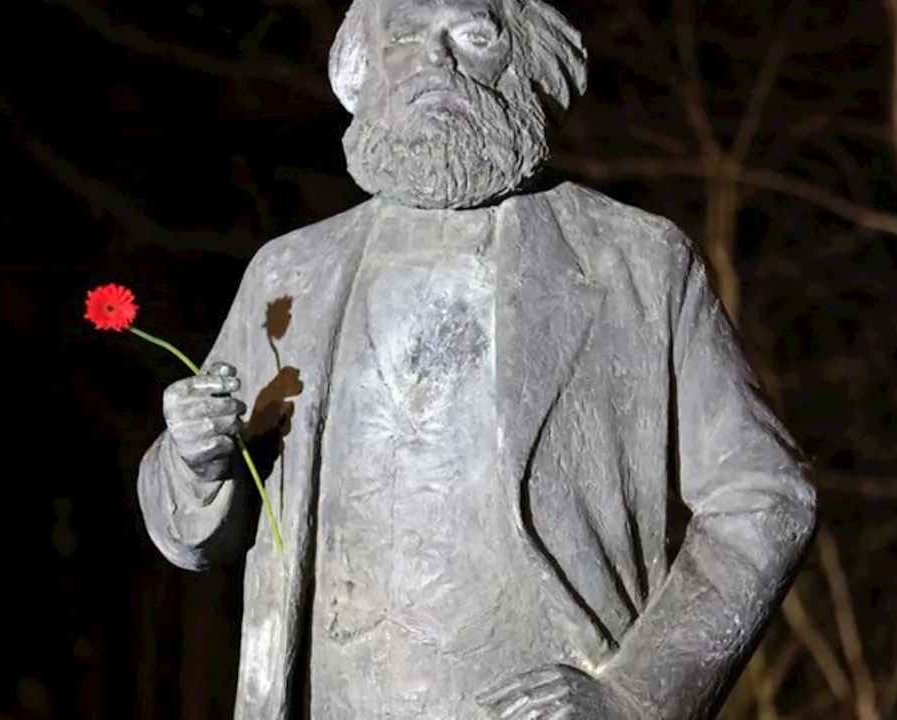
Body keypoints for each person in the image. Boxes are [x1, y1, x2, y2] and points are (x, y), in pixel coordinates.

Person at [137, 0, 817, 717]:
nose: (435, 59)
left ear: (525, 65)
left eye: (472, 33)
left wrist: (637, 695)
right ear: (362, 71)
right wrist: (195, 462)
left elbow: (764, 501)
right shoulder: (290, 277)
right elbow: (188, 533)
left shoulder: (637, 265)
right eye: (404, 34)